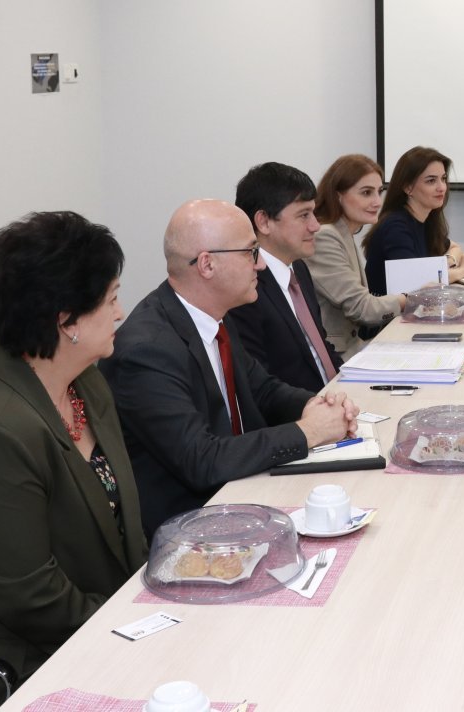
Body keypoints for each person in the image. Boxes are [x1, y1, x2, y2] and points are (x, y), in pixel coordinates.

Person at [0, 211, 147, 705]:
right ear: (66, 320)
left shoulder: (84, 380)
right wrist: (135, 629)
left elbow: (123, 525)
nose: (120, 313)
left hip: (105, 615)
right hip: (32, 659)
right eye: (111, 299)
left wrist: (155, 599)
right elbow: (32, 601)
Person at [100, 199, 360, 535]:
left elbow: (262, 389)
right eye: (251, 252)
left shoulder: (214, 315)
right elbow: (202, 459)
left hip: (239, 493)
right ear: (207, 264)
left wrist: (314, 405)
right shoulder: (147, 351)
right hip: (188, 529)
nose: (261, 265)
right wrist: (309, 431)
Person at [225, 162, 341, 391]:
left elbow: (320, 345)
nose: (316, 226)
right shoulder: (246, 287)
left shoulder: (299, 268)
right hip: (299, 407)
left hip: (333, 396)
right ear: (264, 222)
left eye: (313, 213)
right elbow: (259, 385)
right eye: (304, 215)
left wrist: (353, 384)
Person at [305, 153, 408, 356]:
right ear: (338, 196)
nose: (377, 202)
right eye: (366, 193)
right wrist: (410, 299)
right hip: (334, 356)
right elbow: (363, 309)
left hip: (354, 345)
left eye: (379, 192)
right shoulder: (325, 236)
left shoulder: (343, 232)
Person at [363, 145, 464, 296]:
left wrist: (447, 262)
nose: (442, 187)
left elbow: (454, 247)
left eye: (443, 179)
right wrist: (463, 270)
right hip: (388, 311)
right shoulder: (395, 227)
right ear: (408, 187)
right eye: (431, 181)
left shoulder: (425, 219)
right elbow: (415, 282)